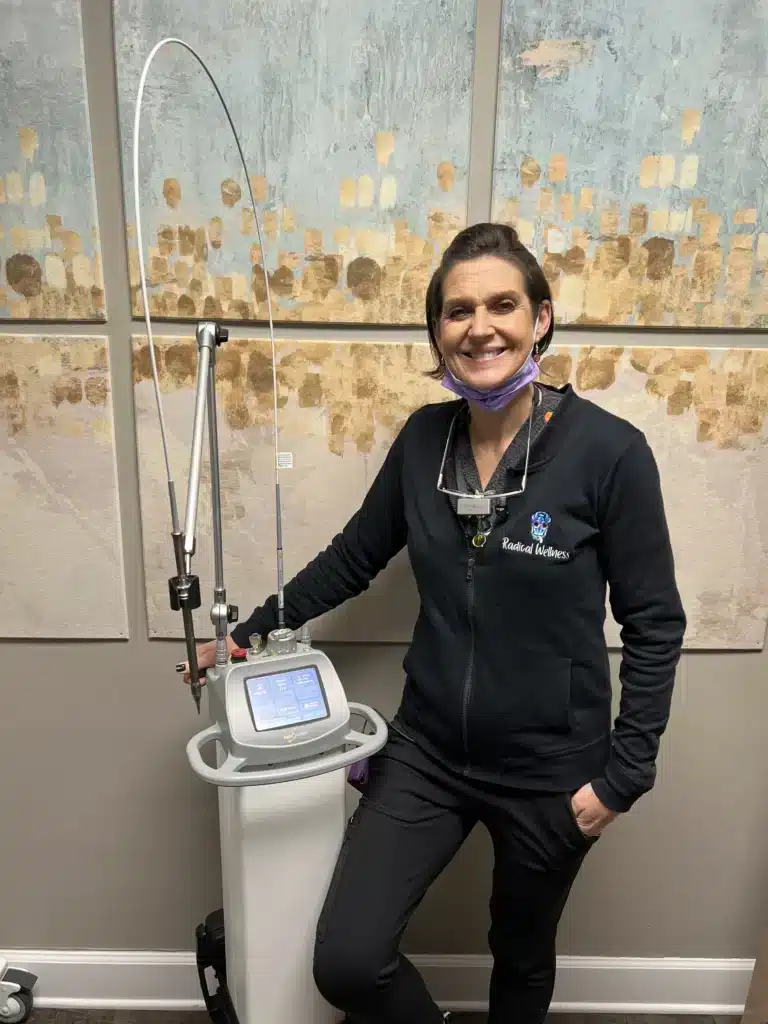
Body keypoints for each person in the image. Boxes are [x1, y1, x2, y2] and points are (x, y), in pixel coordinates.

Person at [183, 222, 687, 1023]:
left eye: (501, 305)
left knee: (521, 953)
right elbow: (354, 557)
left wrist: (624, 777)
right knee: (349, 962)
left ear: (540, 319)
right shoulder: (425, 439)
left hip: (552, 768)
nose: (479, 327)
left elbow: (655, 624)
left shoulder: (610, 453)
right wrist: (247, 633)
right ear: (437, 333)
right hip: (429, 753)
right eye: (457, 311)